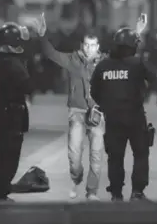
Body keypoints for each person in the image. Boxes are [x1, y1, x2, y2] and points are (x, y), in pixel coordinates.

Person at [30, 13, 105, 201]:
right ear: (82, 46)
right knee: (74, 154)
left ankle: (92, 191)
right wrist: (42, 35)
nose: (89, 49)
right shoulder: (73, 60)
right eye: (86, 45)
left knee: (96, 156)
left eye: (93, 46)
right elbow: (52, 54)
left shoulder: (104, 62)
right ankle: (76, 176)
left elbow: (125, 58)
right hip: (77, 113)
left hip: (98, 114)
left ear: (98, 47)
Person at [90, 25, 156, 201]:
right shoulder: (137, 63)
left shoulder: (103, 66)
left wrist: (106, 104)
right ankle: (137, 192)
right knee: (141, 153)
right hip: (134, 116)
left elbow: (94, 91)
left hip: (112, 118)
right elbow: (154, 77)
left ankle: (116, 194)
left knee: (115, 156)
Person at [0, 22, 33, 202]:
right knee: (9, 157)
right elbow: (27, 86)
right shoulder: (13, 65)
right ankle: (0, 192)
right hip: (12, 116)